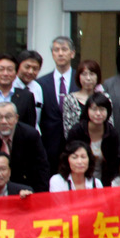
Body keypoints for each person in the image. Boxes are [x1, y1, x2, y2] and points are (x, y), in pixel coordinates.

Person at [0, 102, 49, 192]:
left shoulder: (30, 135)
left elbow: (41, 169)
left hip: (24, 188)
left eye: (8, 117)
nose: (4, 121)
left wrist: (36, 195)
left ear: (16, 118)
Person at [37, 37, 76, 166]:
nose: (60, 53)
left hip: (75, 143)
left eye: (64, 49)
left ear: (72, 53)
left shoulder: (80, 80)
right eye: (56, 50)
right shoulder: (41, 83)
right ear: (52, 54)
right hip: (49, 143)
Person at [66, 92, 120, 184]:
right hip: (79, 180)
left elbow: (113, 164)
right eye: (94, 109)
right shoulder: (77, 132)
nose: (98, 113)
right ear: (87, 110)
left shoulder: (112, 134)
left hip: (104, 181)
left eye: (102, 109)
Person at [0, 52, 38, 128]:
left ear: (16, 73)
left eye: (9, 70)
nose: (5, 73)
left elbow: (30, 127)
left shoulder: (27, 97)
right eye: (1, 69)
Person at [61, 59, 103, 137]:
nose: (88, 78)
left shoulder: (104, 98)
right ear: (78, 77)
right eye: (84, 74)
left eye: (92, 74)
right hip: (77, 142)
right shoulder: (69, 99)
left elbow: (109, 125)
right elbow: (68, 130)